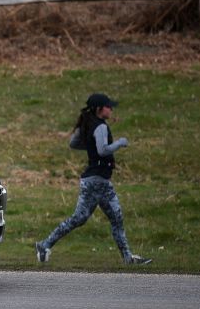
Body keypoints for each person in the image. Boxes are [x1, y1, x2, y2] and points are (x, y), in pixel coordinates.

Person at [35, 93, 151, 266]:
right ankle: (128, 258)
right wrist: (120, 143)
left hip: (91, 180)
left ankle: (45, 245)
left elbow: (73, 144)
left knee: (80, 219)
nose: (111, 109)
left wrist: (90, 145)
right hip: (99, 181)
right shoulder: (101, 127)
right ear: (99, 109)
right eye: (108, 106)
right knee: (115, 218)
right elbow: (104, 150)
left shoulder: (88, 124)